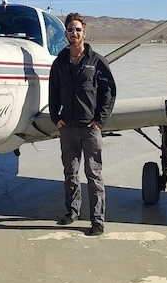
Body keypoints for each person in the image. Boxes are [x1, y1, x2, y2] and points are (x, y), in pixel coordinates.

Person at [48, 12, 117, 236]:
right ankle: (72, 211)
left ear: (84, 33)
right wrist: (55, 117)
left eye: (78, 30)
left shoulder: (97, 61)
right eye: (70, 29)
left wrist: (100, 120)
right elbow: (53, 91)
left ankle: (97, 220)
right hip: (67, 127)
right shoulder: (60, 62)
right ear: (66, 34)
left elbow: (109, 92)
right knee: (70, 172)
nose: (74, 33)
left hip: (90, 128)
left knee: (94, 174)